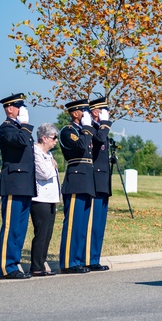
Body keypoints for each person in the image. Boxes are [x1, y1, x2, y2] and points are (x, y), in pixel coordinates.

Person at [0, 93, 35, 279]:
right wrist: (26, 125)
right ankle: (7, 266)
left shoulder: (19, 128)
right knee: (11, 227)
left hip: (25, 183)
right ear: (10, 108)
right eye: (19, 107)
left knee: (20, 228)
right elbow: (20, 142)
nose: (22, 110)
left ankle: (15, 263)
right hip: (13, 183)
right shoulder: (6, 128)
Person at [58, 98, 97, 274]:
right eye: (84, 111)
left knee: (82, 225)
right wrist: (88, 128)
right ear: (75, 113)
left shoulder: (83, 130)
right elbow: (81, 147)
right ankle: (68, 262)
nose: (87, 114)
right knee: (73, 224)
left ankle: (78, 260)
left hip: (87, 180)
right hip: (75, 180)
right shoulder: (68, 131)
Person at [30, 123, 60, 277]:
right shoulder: (36, 152)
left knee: (48, 234)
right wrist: (52, 166)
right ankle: (35, 266)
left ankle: (41, 264)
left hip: (51, 198)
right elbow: (43, 173)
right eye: (54, 137)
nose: (56, 141)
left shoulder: (48, 155)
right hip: (40, 198)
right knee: (41, 233)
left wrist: (52, 165)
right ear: (44, 137)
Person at [87, 96, 113, 271]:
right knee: (92, 223)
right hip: (95, 181)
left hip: (103, 182)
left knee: (99, 224)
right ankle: (88, 257)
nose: (108, 114)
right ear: (96, 112)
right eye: (104, 111)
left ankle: (94, 257)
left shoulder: (102, 130)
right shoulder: (92, 130)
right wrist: (104, 123)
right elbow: (97, 139)